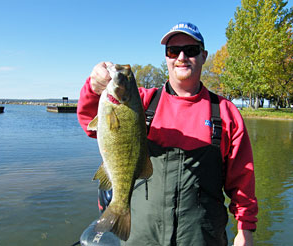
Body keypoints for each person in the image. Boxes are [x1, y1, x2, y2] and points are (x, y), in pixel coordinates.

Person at [77, 22, 258, 246]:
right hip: (141, 238)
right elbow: (89, 122)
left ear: (203, 55)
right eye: (173, 51)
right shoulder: (140, 102)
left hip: (202, 239)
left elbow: (243, 179)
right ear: (166, 58)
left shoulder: (226, 112)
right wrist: (94, 86)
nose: (181, 57)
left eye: (190, 50)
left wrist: (245, 230)